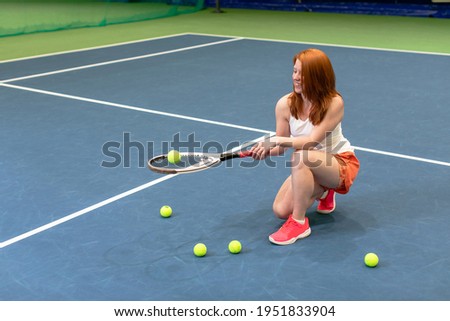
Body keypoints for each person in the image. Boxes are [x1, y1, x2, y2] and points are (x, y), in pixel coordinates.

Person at [250, 48, 360, 246]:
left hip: (339, 163)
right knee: (280, 210)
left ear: (318, 77)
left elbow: (310, 142)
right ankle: (325, 192)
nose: (297, 78)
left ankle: (299, 223)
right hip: (309, 165)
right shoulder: (284, 104)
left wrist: (275, 140)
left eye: (303, 74)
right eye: (294, 72)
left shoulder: (334, 103)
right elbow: (281, 147)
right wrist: (264, 151)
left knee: (301, 155)